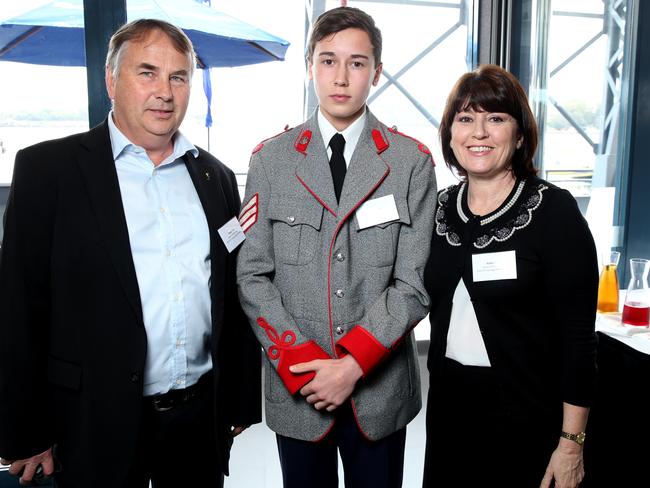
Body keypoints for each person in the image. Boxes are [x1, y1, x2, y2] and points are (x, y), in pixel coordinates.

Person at [0, 19, 261, 488]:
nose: (164, 91)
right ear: (111, 80)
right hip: (92, 421)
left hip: (198, 419)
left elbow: (232, 294)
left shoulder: (217, 179)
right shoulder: (47, 171)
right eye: (147, 73)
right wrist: (25, 431)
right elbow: (18, 306)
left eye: (178, 77)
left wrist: (239, 400)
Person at [236, 6, 436, 488]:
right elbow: (252, 275)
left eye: (357, 62)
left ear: (377, 71)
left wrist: (352, 366)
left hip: (379, 394)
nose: (341, 77)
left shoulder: (411, 161)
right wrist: (303, 366)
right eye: (328, 61)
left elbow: (412, 284)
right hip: (299, 388)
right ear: (309, 66)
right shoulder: (271, 160)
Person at [422, 64, 598, 488]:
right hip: (449, 407)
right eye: (465, 119)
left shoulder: (554, 211)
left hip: (526, 413)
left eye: (496, 118)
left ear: (519, 136)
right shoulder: (438, 208)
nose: (478, 132)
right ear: (450, 135)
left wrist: (571, 444)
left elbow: (579, 340)